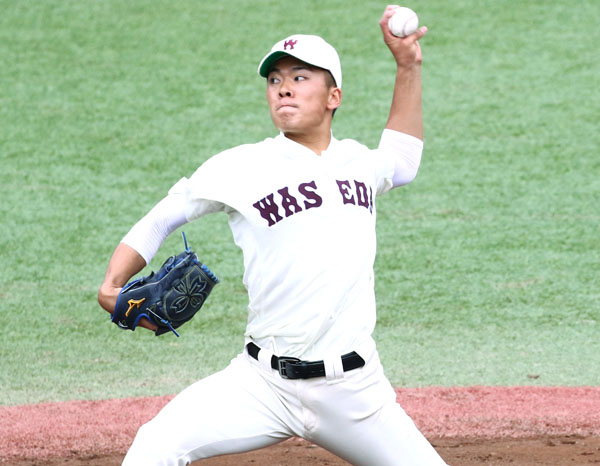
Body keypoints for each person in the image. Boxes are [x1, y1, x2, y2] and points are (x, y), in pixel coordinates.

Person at [98, 5, 448, 465]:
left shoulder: (360, 163)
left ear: (334, 96)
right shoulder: (241, 165)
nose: (284, 86)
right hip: (261, 384)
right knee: (156, 444)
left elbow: (403, 161)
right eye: (275, 79)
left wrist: (407, 66)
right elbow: (161, 219)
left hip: (354, 393)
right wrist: (111, 284)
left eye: (300, 77)